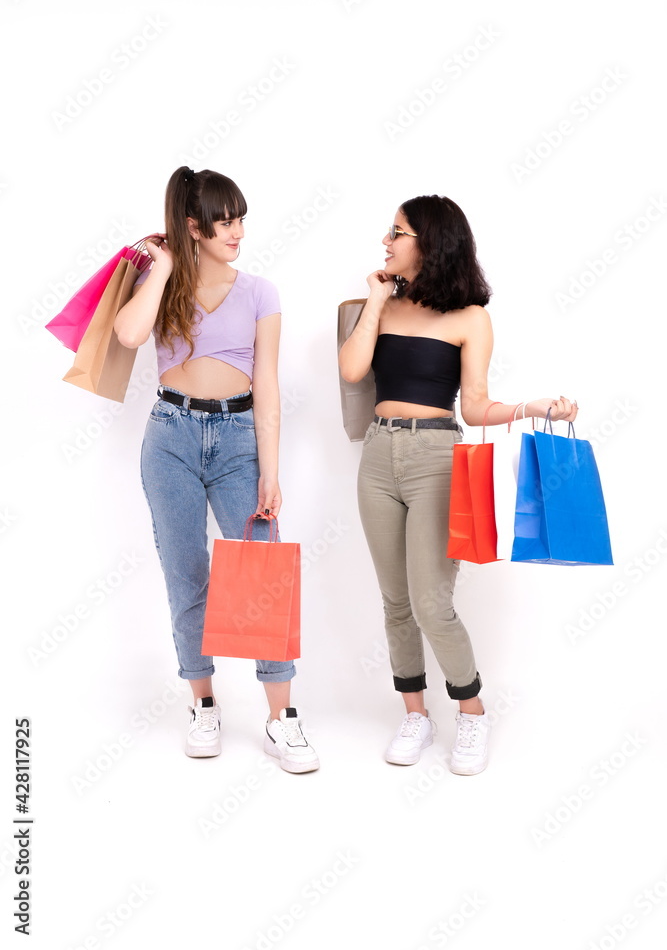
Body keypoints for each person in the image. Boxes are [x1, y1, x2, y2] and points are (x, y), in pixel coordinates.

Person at [339, 195, 577, 775]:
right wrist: (375, 298)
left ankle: (471, 711)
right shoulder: (382, 305)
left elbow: (473, 406)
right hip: (377, 454)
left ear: (431, 242)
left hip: (436, 458)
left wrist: (530, 406)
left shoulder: (471, 318)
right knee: (396, 601)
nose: (386, 241)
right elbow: (351, 371)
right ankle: (415, 714)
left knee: (430, 601)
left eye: (397, 232)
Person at [114, 167, 318, 773]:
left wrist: (271, 470)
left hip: (237, 439)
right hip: (170, 437)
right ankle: (203, 703)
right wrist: (166, 268)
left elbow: (270, 387)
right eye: (224, 221)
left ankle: (284, 720)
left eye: (239, 218)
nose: (238, 231)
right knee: (187, 574)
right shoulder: (165, 285)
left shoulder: (260, 292)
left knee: (262, 577)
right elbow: (128, 334)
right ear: (193, 227)